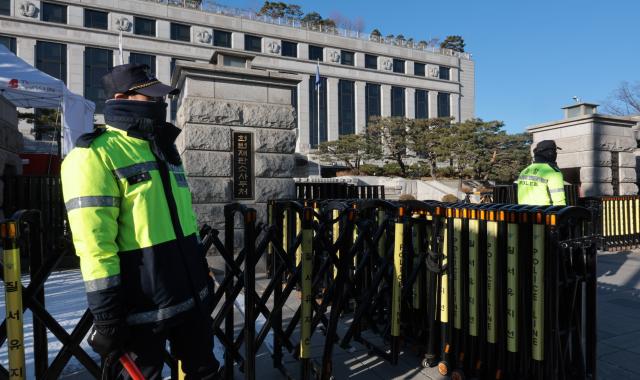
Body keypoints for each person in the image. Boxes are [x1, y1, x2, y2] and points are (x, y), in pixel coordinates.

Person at [61, 63, 220, 379]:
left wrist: (199, 271)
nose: (159, 105)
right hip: (140, 307)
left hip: (190, 297)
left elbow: (184, 220)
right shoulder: (93, 155)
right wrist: (106, 314)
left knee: (206, 372)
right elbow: (94, 243)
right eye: (150, 97)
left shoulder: (164, 149)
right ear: (121, 97)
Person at [517, 140, 566, 206]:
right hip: (544, 213)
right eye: (555, 151)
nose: (556, 153)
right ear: (551, 153)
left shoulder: (525, 171)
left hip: (524, 213)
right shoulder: (553, 172)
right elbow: (559, 201)